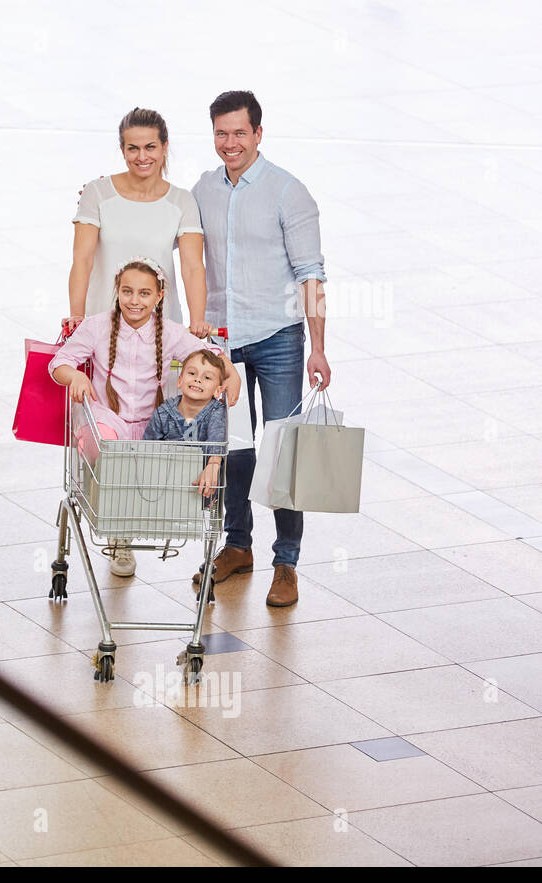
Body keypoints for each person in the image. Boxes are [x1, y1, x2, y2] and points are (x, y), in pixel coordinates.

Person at [191, 90, 332, 608]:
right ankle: (237, 544)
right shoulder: (202, 190)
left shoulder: (287, 192)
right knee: (233, 448)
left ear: (258, 133)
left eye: (239, 133)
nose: (230, 143)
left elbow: (311, 274)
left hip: (278, 338)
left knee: (281, 450)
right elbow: (168, 227)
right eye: (221, 133)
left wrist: (317, 346)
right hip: (223, 342)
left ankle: (286, 562)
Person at [50, 258, 241, 576]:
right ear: (117, 291)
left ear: (159, 296)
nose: (134, 300)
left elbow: (211, 355)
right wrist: (75, 377)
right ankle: (117, 531)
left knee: (164, 460)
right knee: (107, 448)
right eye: (127, 292)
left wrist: (230, 374)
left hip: (151, 426)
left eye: (143, 293)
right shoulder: (98, 326)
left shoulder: (169, 333)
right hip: (108, 419)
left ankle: (144, 519)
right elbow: (59, 363)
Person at [67, 108, 208, 337]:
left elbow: (192, 267)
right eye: (133, 148)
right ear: (123, 150)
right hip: (102, 326)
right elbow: (82, 259)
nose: (142, 157)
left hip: (160, 329)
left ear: (164, 147)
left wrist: (197, 321)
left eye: (150, 147)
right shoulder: (97, 193)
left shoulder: (182, 201)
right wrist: (76, 315)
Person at [142, 348, 228, 498]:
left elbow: (217, 439)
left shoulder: (216, 412)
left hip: (201, 483)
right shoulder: (164, 413)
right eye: (192, 373)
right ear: (180, 381)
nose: (198, 379)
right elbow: (147, 446)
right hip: (165, 482)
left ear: (217, 391)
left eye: (207, 377)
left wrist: (214, 464)